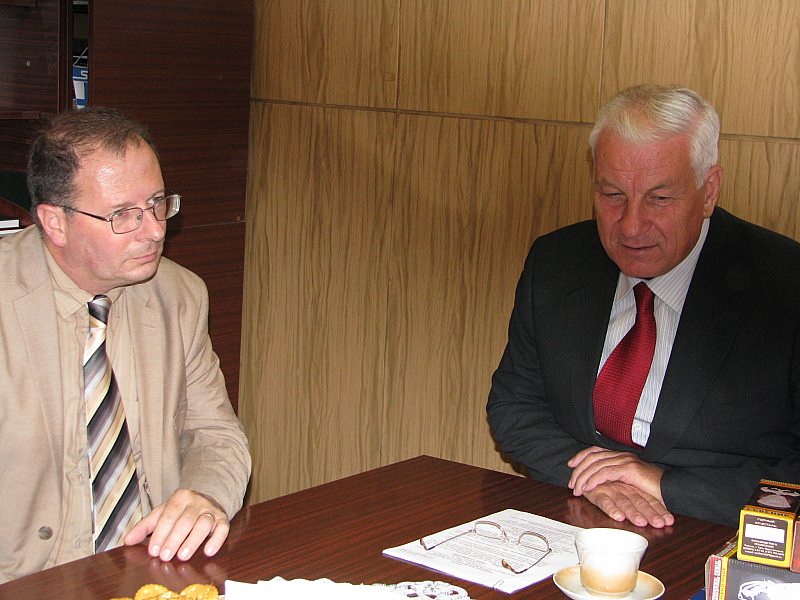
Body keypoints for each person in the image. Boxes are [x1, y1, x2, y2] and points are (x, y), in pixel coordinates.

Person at [487, 84, 800, 528]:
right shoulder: (557, 261)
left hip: (719, 532)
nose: (631, 227)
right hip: (576, 519)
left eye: (659, 198)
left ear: (708, 190)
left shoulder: (785, 285)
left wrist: (662, 484)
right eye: (612, 195)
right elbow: (515, 404)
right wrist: (593, 478)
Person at [0, 107, 251, 582]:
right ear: (55, 222)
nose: (154, 229)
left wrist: (206, 495)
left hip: (149, 571)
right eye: (123, 215)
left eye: (157, 203)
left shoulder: (179, 295)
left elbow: (215, 434)